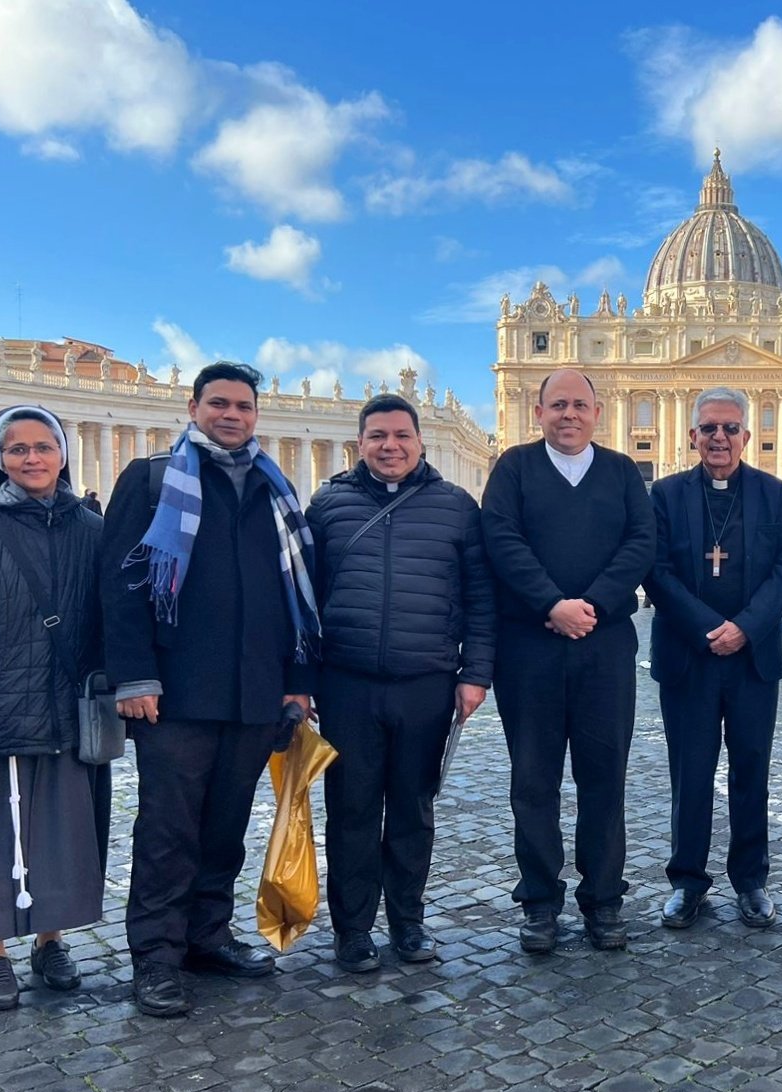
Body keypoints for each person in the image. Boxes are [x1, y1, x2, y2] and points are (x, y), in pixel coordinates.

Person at [101, 361, 319, 1016]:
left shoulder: (274, 489)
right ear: (193, 407)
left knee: (225, 827)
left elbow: (299, 596)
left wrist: (298, 684)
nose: (232, 414)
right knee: (168, 830)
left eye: (244, 406)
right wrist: (135, 675)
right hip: (174, 694)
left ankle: (206, 935)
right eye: (219, 403)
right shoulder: (148, 480)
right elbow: (120, 586)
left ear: (257, 415)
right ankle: (157, 959)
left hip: (254, 694)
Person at [308, 394, 495, 972]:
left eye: (401, 436)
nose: (390, 446)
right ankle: (353, 930)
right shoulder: (326, 505)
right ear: (359, 443)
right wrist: (302, 679)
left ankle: (408, 922)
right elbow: (302, 601)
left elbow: (481, 598)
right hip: (347, 682)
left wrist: (477, 673)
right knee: (351, 810)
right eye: (378, 437)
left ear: (419, 441)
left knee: (414, 810)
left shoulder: (458, 507)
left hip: (426, 681)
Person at [0, 406, 105, 1009]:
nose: (31, 458)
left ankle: (50, 940)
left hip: (64, 714)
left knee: (58, 834)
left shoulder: (94, 531)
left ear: (64, 453)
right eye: (17, 449)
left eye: (43, 446)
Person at [482, 368, 654, 953]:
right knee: (533, 780)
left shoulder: (622, 472)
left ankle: (603, 899)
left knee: (604, 779)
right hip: (529, 648)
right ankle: (539, 901)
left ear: (598, 413)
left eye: (580, 405)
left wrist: (595, 605)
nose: (569, 415)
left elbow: (641, 544)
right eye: (558, 405)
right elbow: (501, 541)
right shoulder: (513, 470)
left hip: (604, 648)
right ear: (538, 412)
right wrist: (552, 604)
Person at [644, 387, 782, 930]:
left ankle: (751, 880)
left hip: (752, 657)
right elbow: (656, 570)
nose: (719, 438)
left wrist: (747, 627)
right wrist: (709, 627)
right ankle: (687, 880)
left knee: (751, 769)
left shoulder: (774, 493)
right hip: (690, 655)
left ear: (747, 437)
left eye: (730, 429)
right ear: (692, 436)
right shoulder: (664, 496)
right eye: (709, 428)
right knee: (690, 772)